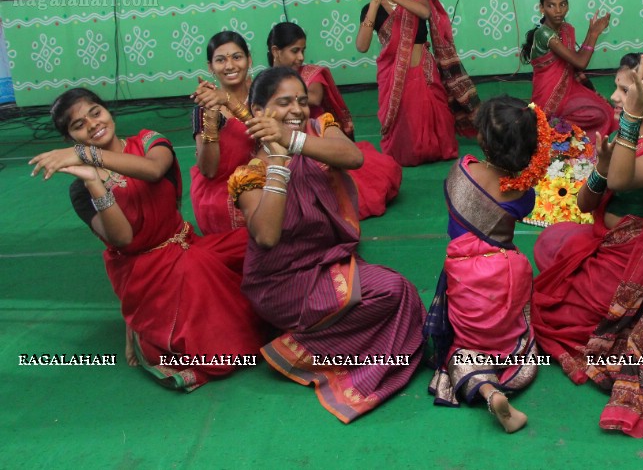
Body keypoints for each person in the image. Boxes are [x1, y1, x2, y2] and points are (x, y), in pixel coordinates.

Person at [30, 89, 264, 390]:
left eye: (95, 112)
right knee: (200, 281)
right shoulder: (80, 191)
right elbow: (123, 237)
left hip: (185, 243)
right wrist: (92, 181)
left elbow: (154, 171)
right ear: (69, 139)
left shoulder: (149, 141)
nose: (91, 124)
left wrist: (87, 154)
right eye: (77, 125)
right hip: (145, 272)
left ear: (107, 111)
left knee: (255, 242)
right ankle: (145, 325)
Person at [230, 67, 425, 423]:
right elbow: (267, 236)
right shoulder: (251, 173)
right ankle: (300, 349)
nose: (296, 110)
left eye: (302, 101)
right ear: (258, 112)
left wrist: (295, 142)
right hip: (282, 284)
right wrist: (279, 162)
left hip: (329, 262)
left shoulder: (319, 130)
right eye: (283, 102)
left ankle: (328, 338)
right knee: (396, 292)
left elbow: (354, 158)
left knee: (402, 298)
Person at [532, 53, 643, 438]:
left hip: (632, 262)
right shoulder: (625, 138)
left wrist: (627, 128)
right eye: (617, 88)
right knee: (552, 241)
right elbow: (586, 204)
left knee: (554, 315)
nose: (614, 97)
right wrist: (600, 166)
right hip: (605, 242)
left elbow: (621, 182)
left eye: (625, 89)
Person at [424, 96, 545, 433]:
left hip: (465, 278)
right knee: (511, 340)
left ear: (481, 139)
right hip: (506, 274)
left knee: (461, 353)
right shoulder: (524, 193)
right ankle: (501, 363)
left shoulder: (461, 170)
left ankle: (489, 391)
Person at [355, 0, 480, 166]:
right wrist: (375, 1)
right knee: (407, 137)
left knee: (437, 119)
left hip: (424, 71)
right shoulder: (371, 5)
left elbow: (424, 14)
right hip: (394, 76)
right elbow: (362, 46)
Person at [266, 22, 402, 219]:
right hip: (280, 148)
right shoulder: (263, 82)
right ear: (275, 51)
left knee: (368, 184)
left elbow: (314, 98)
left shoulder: (312, 74)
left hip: (318, 141)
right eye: (294, 51)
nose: (301, 57)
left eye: (303, 50)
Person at [520, 0, 614, 141]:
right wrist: (594, 33)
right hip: (549, 96)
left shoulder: (566, 29)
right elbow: (580, 62)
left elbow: (575, 58)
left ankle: (559, 130)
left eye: (562, 4)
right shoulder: (544, 33)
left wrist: (592, 33)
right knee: (599, 114)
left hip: (569, 88)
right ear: (541, 8)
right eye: (551, 5)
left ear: (567, 6)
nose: (558, 10)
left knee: (606, 110)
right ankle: (554, 128)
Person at [190, 31, 257, 234]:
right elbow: (209, 171)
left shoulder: (264, 94)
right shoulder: (204, 107)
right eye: (220, 60)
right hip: (222, 189)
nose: (230, 66)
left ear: (249, 60)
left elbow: (274, 139)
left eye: (237, 57)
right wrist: (211, 115)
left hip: (266, 173)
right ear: (210, 67)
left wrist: (228, 99)